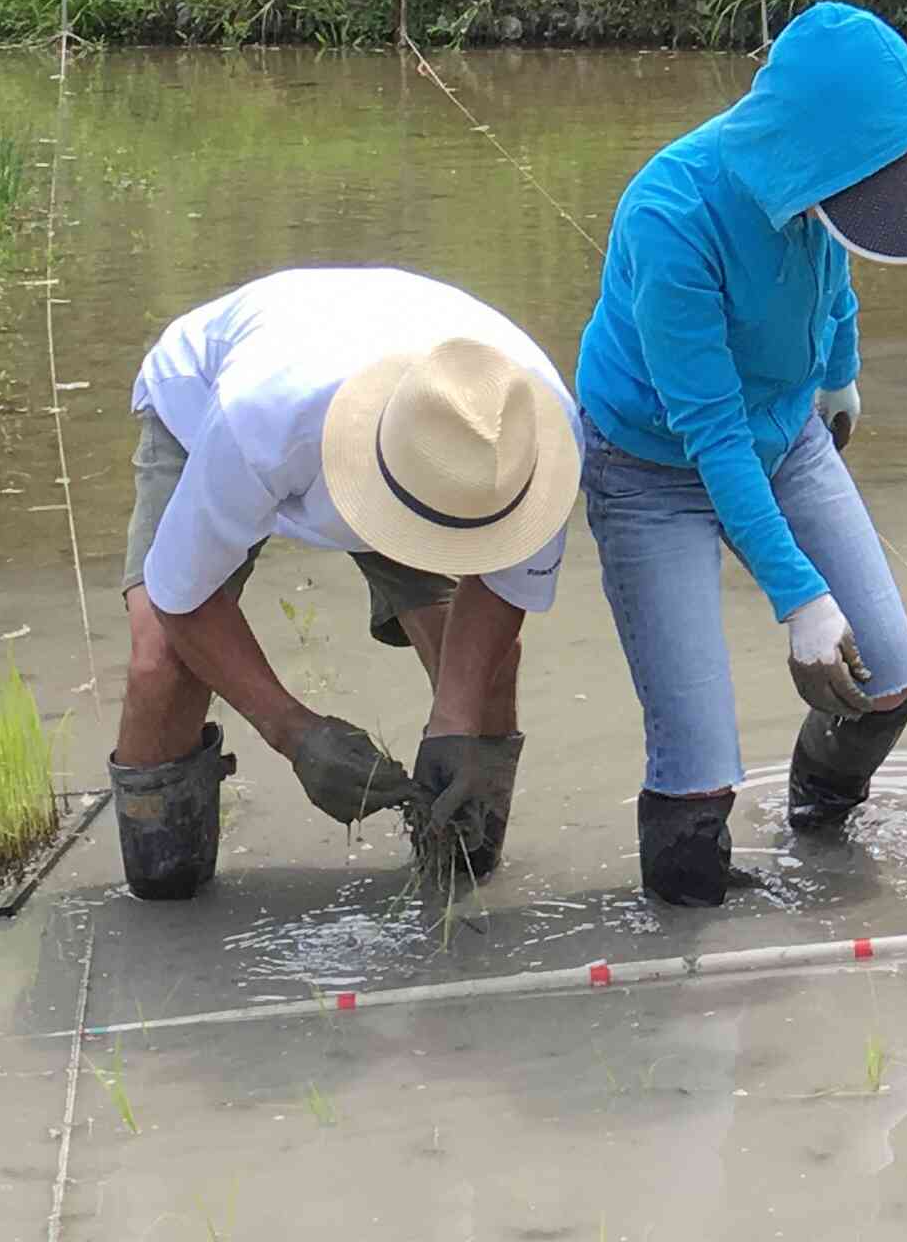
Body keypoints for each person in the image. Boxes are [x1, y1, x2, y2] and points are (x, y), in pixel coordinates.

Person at [577, 2, 907, 904]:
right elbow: (709, 433)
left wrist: (839, 376)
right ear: (805, 156)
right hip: (651, 466)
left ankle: (819, 834)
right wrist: (799, 598)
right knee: (699, 775)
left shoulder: (822, 194)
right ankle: (695, 960)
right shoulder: (672, 215)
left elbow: (836, 281)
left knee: (888, 681)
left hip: (787, 432)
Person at [107, 267, 580, 902]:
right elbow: (182, 601)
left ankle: (459, 859)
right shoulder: (259, 421)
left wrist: (456, 722)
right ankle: (164, 885)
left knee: (484, 666)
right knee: (162, 668)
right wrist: (295, 733)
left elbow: (503, 592)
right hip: (210, 418)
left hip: (428, 450)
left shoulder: (530, 438)